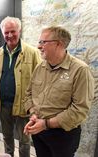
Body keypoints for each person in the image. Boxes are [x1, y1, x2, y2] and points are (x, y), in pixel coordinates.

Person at [23, 26, 94, 157]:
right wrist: (33, 114)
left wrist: (46, 124)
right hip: (38, 130)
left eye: (43, 42)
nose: (39, 46)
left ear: (59, 44)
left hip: (63, 135)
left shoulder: (80, 70)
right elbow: (28, 94)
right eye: (40, 42)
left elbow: (80, 109)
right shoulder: (40, 67)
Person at [0, 16, 42, 157]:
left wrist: (35, 107)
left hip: (23, 106)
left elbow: (39, 82)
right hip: (3, 105)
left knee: (24, 141)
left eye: (13, 31)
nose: (9, 35)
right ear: (3, 33)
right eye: (6, 32)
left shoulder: (32, 52)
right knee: (7, 138)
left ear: (19, 31)